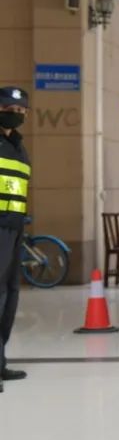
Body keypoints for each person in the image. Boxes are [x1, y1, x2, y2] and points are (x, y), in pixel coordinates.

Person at [0, 87, 30, 391]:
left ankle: (1, 362)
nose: (16, 114)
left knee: (9, 296)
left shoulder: (18, 146)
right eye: (10, 108)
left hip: (15, 227)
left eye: (22, 111)